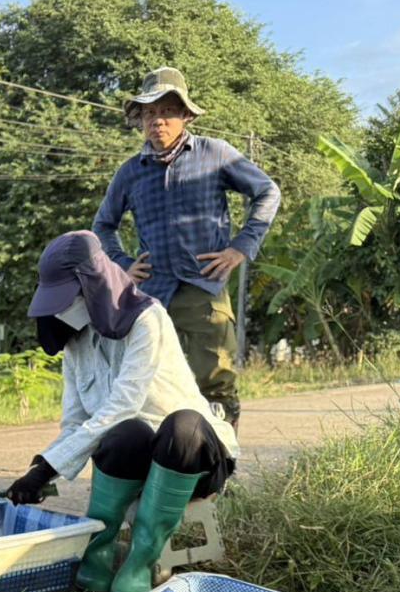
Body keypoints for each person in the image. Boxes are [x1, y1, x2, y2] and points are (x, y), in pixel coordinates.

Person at [3, 231, 239, 592]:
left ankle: (143, 559)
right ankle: (100, 548)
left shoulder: (148, 319)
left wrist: (46, 469)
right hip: (137, 460)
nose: (65, 308)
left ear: (94, 285)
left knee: (181, 425)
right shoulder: (77, 344)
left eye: (70, 296)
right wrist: (38, 471)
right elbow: (76, 422)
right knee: (125, 434)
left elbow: (122, 404)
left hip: (191, 459)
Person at [92, 66, 281, 429]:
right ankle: (163, 472)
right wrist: (122, 264)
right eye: (149, 113)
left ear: (185, 116)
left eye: (166, 112)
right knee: (152, 383)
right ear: (141, 120)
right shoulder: (131, 172)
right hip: (152, 295)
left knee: (216, 382)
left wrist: (241, 246)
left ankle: (219, 474)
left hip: (203, 288)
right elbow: (103, 225)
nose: (157, 121)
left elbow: (267, 191)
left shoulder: (215, 154)